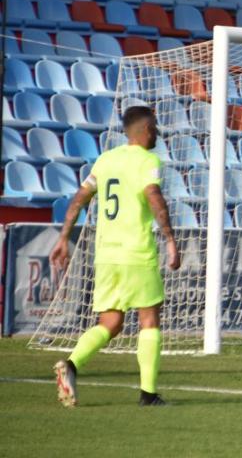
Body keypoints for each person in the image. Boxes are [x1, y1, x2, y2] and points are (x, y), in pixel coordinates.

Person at [49, 106, 179, 407]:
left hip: (106, 254)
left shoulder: (106, 160)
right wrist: (171, 239)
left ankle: (70, 365)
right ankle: (148, 394)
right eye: (155, 127)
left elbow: (80, 197)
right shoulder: (149, 160)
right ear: (145, 130)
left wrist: (64, 236)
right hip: (136, 252)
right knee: (149, 319)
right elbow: (154, 197)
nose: (157, 132)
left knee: (110, 322)